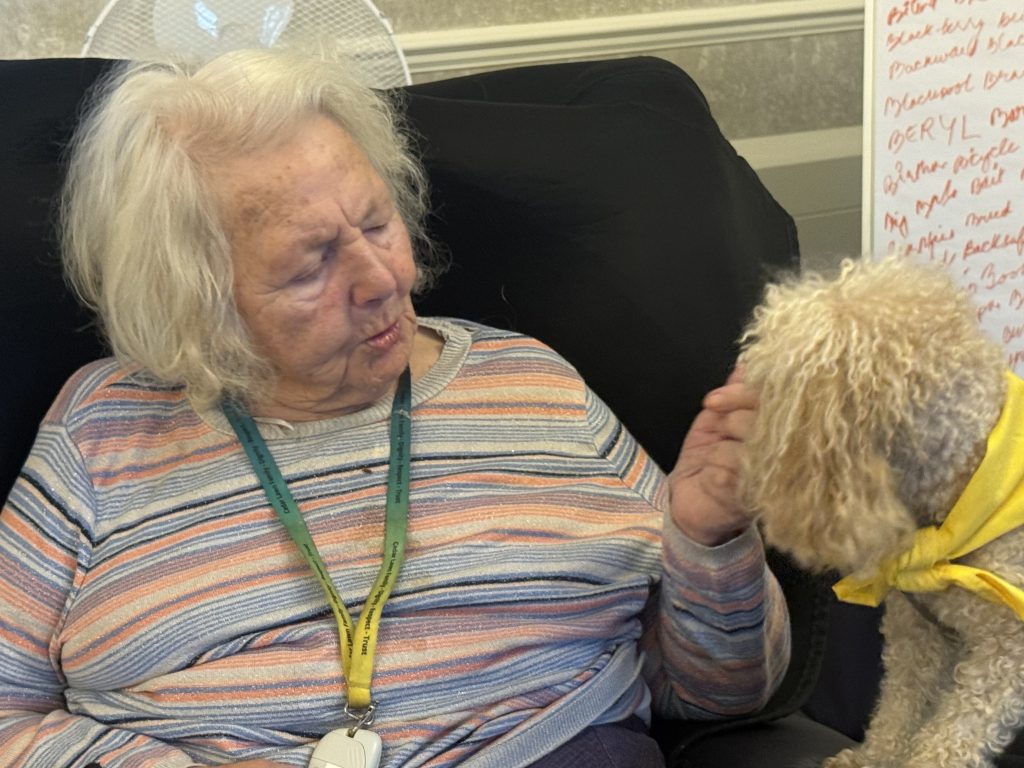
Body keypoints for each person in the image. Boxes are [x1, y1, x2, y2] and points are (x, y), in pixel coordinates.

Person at [0, 50, 789, 768]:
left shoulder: (532, 383)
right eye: (311, 265)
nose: (383, 279)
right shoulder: (101, 431)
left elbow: (721, 692)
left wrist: (707, 540)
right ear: (194, 299)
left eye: (378, 222)